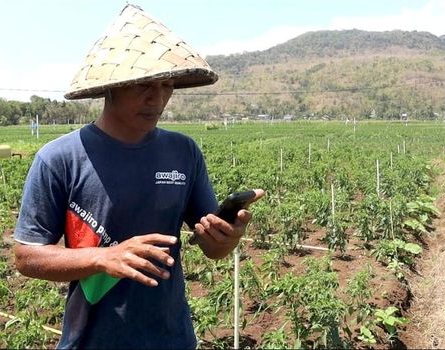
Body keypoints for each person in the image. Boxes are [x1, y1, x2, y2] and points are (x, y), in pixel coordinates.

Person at [13, 4, 264, 349]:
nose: (157, 98)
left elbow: (211, 246)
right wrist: (102, 257)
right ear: (111, 87)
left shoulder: (184, 152)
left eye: (167, 85)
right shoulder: (60, 159)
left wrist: (227, 237)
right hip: (91, 341)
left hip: (171, 338)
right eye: (144, 85)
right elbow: (27, 256)